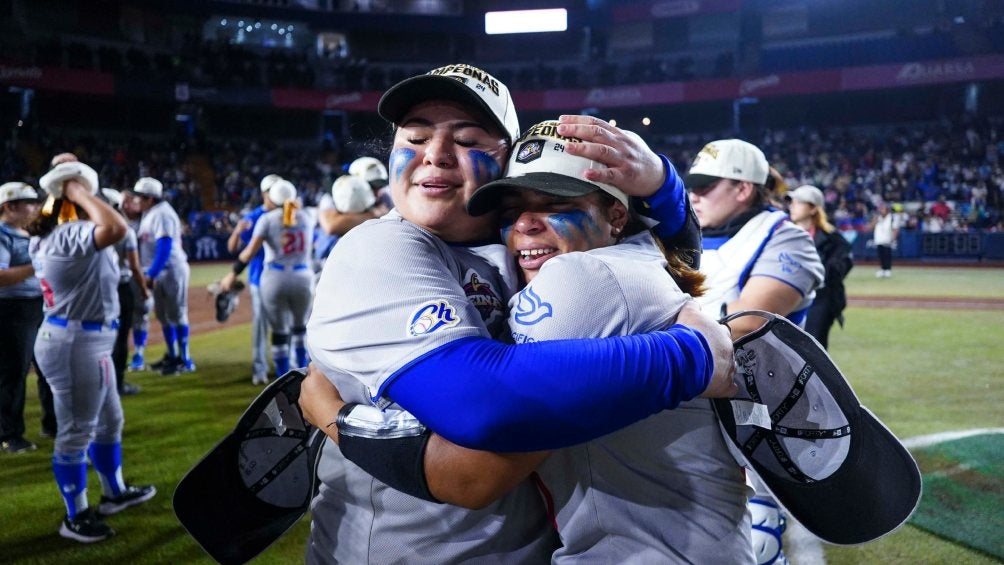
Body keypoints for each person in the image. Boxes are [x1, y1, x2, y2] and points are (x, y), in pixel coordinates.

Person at [300, 63, 733, 564]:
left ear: (507, 160)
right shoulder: (379, 250)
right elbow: (481, 414)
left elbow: (656, 259)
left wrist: (661, 182)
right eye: (414, 137)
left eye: (466, 140)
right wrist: (693, 356)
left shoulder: (524, 243)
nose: (435, 154)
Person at [684, 139, 825, 565]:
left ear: (743, 188)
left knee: (755, 547)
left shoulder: (786, 240)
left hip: (753, 421)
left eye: (707, 186)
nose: (694, 195)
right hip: (683, 415)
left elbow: (740, 327)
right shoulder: (681, 235)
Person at [31, 159, 156, 543]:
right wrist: (78, 189)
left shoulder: (59, 236)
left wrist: (75, 193)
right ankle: (76, 515)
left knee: (109, 421)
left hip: (84, 339)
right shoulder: (67, 236)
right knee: (77, 432)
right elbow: (116, 227)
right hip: (76, 343)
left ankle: (114, 492)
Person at [221, 179, 314, 379]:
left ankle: (283, 380)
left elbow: (248, 253)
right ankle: (305, 377)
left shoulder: (267, 219)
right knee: (301, 330)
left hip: (275, 276)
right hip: (302, 276)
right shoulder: (307, 217)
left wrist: (232, 273)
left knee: (280, 332)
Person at [133, 177, 194, 375]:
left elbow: (165, 247)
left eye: (140, 197)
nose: (136, 200)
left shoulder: (162, 213)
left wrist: (151, 274)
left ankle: (184, 359)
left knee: (177, 313)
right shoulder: (150, 213)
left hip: (171, 270)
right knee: (163, 315)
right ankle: (172, 354)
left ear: (150, 198)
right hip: (160, 271)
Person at [0, 181, 44, 454]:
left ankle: (51, 423)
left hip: (37, 305)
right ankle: (10, 434)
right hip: (12, 310)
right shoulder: (2, 234)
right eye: (29, 202)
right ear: (9, 207)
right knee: (13, 372)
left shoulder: (27, 233)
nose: (35, 207)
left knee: (47, 369)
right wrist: (38, 265)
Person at [225, 174, 279, 385]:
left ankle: (287, 367)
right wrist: (237, 231)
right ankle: (259, 368)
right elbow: (234, 248)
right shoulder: (255, 216)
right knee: (261, 325)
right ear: (265, 193)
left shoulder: (289, 212)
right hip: (259, 276)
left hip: (281, 276)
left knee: (288, 326)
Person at [786, 185, 853, 349]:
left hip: (819, 300)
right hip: (787, 297)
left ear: (813, 209)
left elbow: (842, 265)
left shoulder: (833, 239)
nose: (792, 206)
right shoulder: (782, 234)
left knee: (813, 350)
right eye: (792, 202)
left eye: (798, 202)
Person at [101, 188, 148, 395]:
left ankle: (102, 383)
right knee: (120, 339)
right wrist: (144, 290)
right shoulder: (125, 230)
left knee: (101, 336)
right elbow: (135, 267)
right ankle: (117, 384)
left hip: (100, 289)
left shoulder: (93, 227)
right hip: (122, 287)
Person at [871, 201, 898, 278]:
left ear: (887, 210)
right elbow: (871, 227)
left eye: (882, 209)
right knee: (881, 256)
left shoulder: (891, 218)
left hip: (887, 240)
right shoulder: (878, 218)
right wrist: (874, 219)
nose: (881, 211)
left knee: (887, 256)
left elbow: (895, 229)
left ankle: (888, 270)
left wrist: (893, 238)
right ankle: (883, 269)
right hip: (879, 239)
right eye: (880, 209)